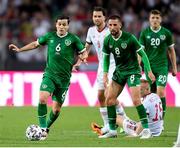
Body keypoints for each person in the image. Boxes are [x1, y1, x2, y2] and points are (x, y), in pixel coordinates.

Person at [9, 15, 88, 140]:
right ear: (56, 24)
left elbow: (83, 52)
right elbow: (35, 44)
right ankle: (42, 129)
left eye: (64, 24)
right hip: (50, 75)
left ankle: (46, 127)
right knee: (42, 98)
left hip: (64, 79)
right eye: (60, 24)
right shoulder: (49, 36)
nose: (62, 26)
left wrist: (79, 62)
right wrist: (20, 50)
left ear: (68, 26)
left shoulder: (73, 39)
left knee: (56, 110)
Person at [99, 15, 155, 139]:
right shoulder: (108, 40)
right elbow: (106, 58)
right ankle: (113, 131)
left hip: (132, 72)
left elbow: (143, 55)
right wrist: (105, 74)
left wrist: (149, 71)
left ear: (120, 25)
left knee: (136, 100)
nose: (112, 27)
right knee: (109, 99)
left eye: (115, 25)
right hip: (119, 72)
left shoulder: (129, 38)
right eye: (110, 25)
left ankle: (146, 130)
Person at [74, 6, 126, 135]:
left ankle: (124, 122)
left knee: (110, 96)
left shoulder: (110, 31)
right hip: (101, 66)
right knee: (100, 97)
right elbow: (86, 48)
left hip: (114, 65)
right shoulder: (91, 31)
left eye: (99, 16)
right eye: (94, 16)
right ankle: (108, 124)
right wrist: (79, 61)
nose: (96, 18)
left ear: (104, 18)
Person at [139, 10, 177, 120]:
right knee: (151, 94)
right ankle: (151, 118)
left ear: (160, 19)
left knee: (160, 92)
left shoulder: (166, 33)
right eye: (153, 18)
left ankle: (161, 120)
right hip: (149, 67)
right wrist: (138, 65)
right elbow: (140, 52)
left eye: (157, 18)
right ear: (149, 20)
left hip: (162, 67)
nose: (155, 20)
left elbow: (171, 51)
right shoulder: (145, 33)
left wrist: (174, 67)